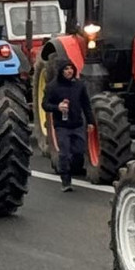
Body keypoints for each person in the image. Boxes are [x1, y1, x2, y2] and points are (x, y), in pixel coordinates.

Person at [41, 60, 95, 191]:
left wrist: (90, 122)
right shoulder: (52, 87)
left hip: (77, 124)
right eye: (66, 69)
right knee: (64, 153)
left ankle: (74, 167)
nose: (69, 71)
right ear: (61, 71)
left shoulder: (79, 85)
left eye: (71, 68)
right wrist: (57, 107)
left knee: (79, 151)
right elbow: (45, 105)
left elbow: (86, 105)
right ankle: (66, 181)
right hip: (61, 126)